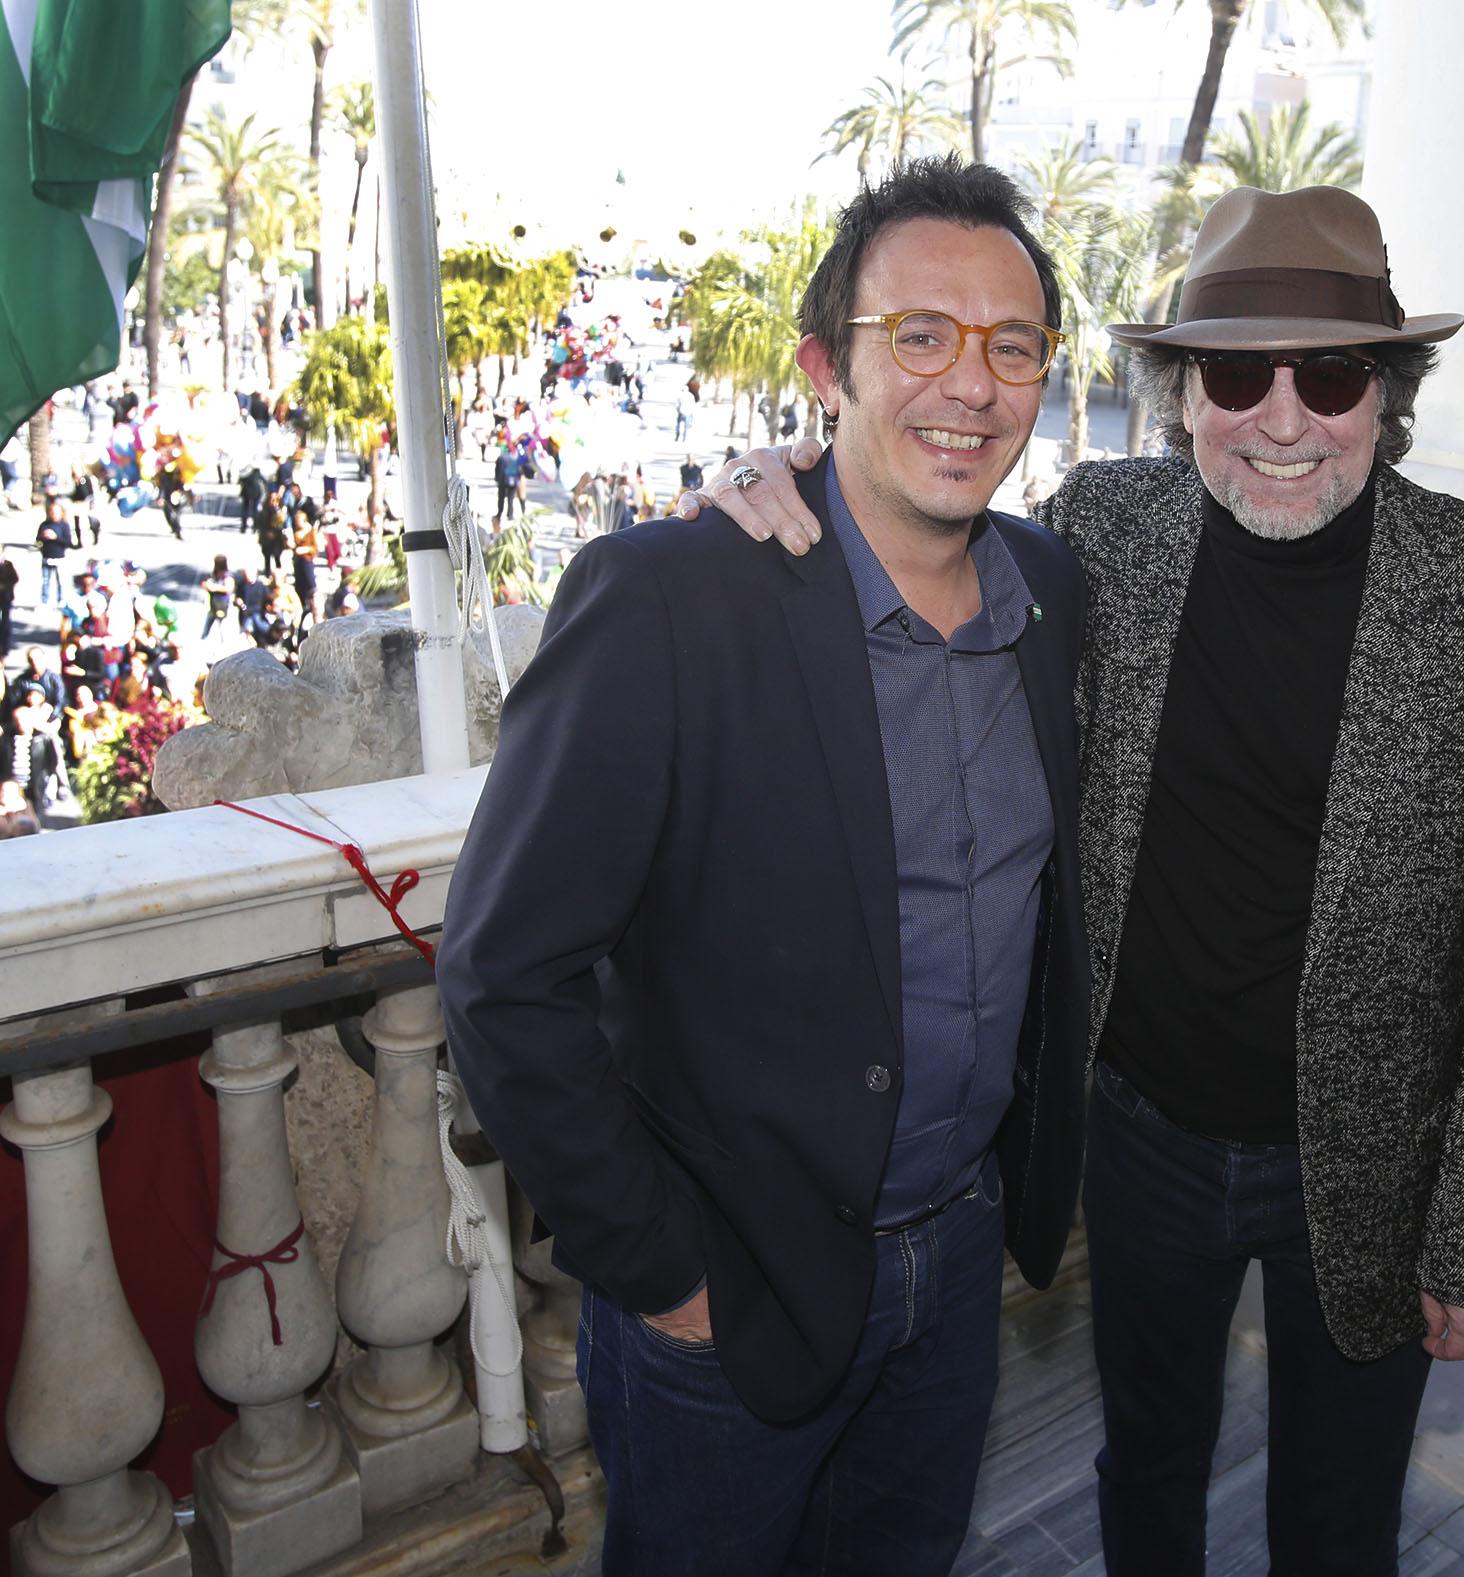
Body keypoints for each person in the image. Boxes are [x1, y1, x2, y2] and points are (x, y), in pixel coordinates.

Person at [683, 178, 1464, 1576]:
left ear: (1386, 392)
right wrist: (778, 478)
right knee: (1147, 1464)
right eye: (1236, 374)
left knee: (1337, 1519)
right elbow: (911, 513)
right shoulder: (1099, 531)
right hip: (1138, 1141)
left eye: (1331, 374)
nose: (1281, 420)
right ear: (1181, 393)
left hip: (1365, 1165)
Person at [438, 159, 1090, 1575]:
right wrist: (664, 1276)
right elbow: (501, 970)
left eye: (1012, 346)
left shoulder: (1054, 593)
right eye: (916, 335)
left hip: (959, 1253)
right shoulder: (674, 597)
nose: (967, 386)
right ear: (824, 368)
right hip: (734, 1279)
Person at [34, 498, 76, 609]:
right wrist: (43, 538)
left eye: (56, 512)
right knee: (45, 581)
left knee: (61, 581)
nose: (54, 514)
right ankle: (44, 601)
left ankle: (61, 600)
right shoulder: (44, 524)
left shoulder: (64, 525)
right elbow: (37, 540)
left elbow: (68, 542)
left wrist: (55, 537)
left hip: (59, 558)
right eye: (52, 512)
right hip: (46, 557)